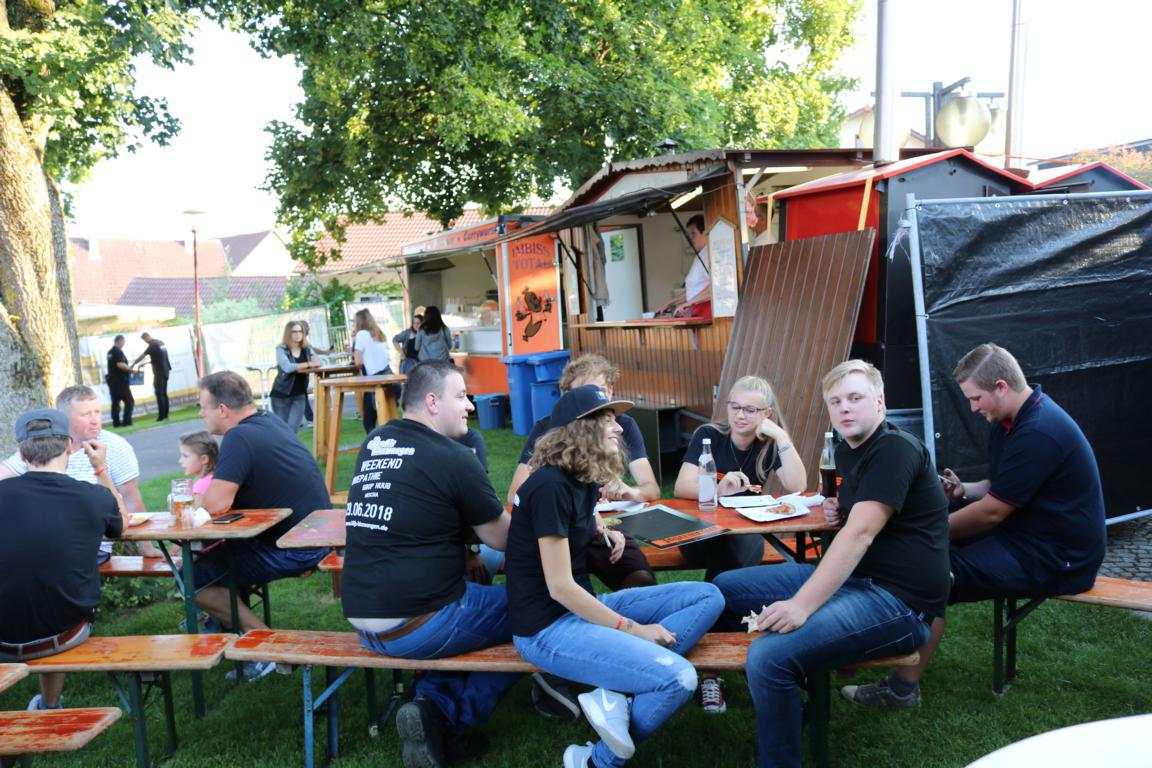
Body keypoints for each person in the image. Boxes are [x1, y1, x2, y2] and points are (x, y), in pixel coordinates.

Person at [841, 343, 1106, 708]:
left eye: (975, 398)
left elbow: (992, 512)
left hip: (1059, 556)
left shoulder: (1039, 431)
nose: (972, 408)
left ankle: (901, 690)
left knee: (933, 574)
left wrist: (925, 534)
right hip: (1024, 534)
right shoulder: (1012, 419)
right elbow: (1001, 486)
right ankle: (857, 648)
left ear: (1001, 386)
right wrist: (964, 489)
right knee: (920, 554)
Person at [714, 360, 950, 767]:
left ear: (880, 402)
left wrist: (801, 605)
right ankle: (767, 688)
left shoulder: (895, 449)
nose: (845, 408)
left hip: (899, 603)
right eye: (836, 401)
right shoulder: (849, 449)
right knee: (724, 587)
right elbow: (863, 517)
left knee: (769, 657)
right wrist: (840, 508)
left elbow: (860, 534)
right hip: (858, 580)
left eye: (855, 398)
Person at [506, 385, 725, 768]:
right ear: (580, 428)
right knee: (679, 679)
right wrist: (633, 630)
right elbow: (560, 588)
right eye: (607, 419)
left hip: (582, 610)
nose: (620, 428)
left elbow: (582, 518)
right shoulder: (549, 486)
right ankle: (596, 761)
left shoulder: (580, 478)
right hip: (547, 629)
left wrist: (604, 527)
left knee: (709, 596)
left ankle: (616, 696)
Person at [341, 361, 519, 767]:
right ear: (433, 402)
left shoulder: (375, 442)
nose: (470, 406)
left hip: (363, 622)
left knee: (468, 610)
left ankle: (426, 704)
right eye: (462, 396)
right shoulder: (454, 457)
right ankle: (449, 719)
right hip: (420, 622)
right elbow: (503, 539)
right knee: (537, 607)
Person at [673, 374, 808, 714]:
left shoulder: (768, 444)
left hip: (743, 537)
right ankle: (746, 659)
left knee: (727, 570)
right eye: (735, 406)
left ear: (766, 414)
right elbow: (681, 486)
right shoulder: (709, 436)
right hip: (700, 535)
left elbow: (797, 485)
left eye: (750, 409)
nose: (740, 415)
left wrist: (780, 435)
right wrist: (718, 490)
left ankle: (712, 671)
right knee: (729, 560)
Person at [196, 371, 329, 679]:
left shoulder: (238, 437)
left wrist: (193, 501)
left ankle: (270, 649)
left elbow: (215, 505)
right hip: (315, 534)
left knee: (197, 581)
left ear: (223, 409)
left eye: (203, 407)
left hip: (297, 547)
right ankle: (232, 640)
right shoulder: (269, 421)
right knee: (216, 562)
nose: (201, 414)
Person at [0, 409, 127, 713]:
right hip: (65, 634)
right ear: (70, 446)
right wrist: (101, 468)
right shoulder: (94, 497)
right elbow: (121, 525)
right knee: (55, 601)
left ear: (21, 453)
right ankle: (49, 705)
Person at [507, 354, 659, 591]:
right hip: (562, 525)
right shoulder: (548, 434)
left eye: (600, 391)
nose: (616, 428)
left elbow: (651, 489)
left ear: (610, 392)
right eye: (583, 392)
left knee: (640, 579)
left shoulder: (622, 426)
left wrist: (628, 491)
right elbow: (517, 493)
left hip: (601, 524)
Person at [0, 385, 147, 564]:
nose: (95, 420)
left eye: (97, 412)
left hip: (90, 546)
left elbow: (131, 498)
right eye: (85, 414)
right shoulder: (42, 446)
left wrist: (146, 546)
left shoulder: (116, 446)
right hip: (49, 546)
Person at [654, 214, 711, 319]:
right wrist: (670, 303)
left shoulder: (710, 254)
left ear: (705, 233)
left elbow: (714, 289)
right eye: (690, 234)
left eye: (694, 234)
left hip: (708, 313)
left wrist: (688, 303)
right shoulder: (700, 256)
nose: (691, 238)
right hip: (698, 312)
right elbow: (693, 291)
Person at [351, 308, 398, 433]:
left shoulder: (361, 334)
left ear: (359, 322)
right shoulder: (378, 333)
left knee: (369, 422)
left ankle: (377, 443)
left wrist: (354, 343)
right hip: (389, 377)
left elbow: (358, 362)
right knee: (389, 417)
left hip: (375, 380)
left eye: (354, 321)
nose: (353, 324)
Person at [270, 320, 320, 432]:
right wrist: (308, 364)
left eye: (300, 331)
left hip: (299, 395)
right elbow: (287, 367)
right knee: (283, 432)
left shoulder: (307, 349)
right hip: (281, 395)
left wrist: (312, 364)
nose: (298, 334)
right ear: (288, 333)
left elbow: (319, 362)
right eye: (294, 332)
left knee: (292, 431)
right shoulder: (281, 349)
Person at [130, 332, 172, 421]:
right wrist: (146, 363)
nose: (145, 342)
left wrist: (134, 364)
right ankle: (166, 414)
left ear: (147, 337)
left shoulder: (152, 345)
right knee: (164, 393)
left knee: (159, 393)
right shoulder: (161, 342)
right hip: (166, 371)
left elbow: (142, 356)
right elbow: (159, 358)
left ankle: (161, 416)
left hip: (159, 373)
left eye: (144, 340)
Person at [177, 430, 218, 507]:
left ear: (203, 459)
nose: (180, 461)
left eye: (185, 456)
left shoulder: (201, 485)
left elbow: (196, 512)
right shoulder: (214, 478)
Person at [106, 334, 134, 427]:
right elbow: (120, 364)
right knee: (129, 401)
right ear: (120, 341)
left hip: (112, 380)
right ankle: (127, 421)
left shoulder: (110, 352)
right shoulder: (118, 351)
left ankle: (116, 422)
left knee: (115, 401)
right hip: (120, 380)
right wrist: (131, 370)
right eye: (123, 342)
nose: (124, 344)